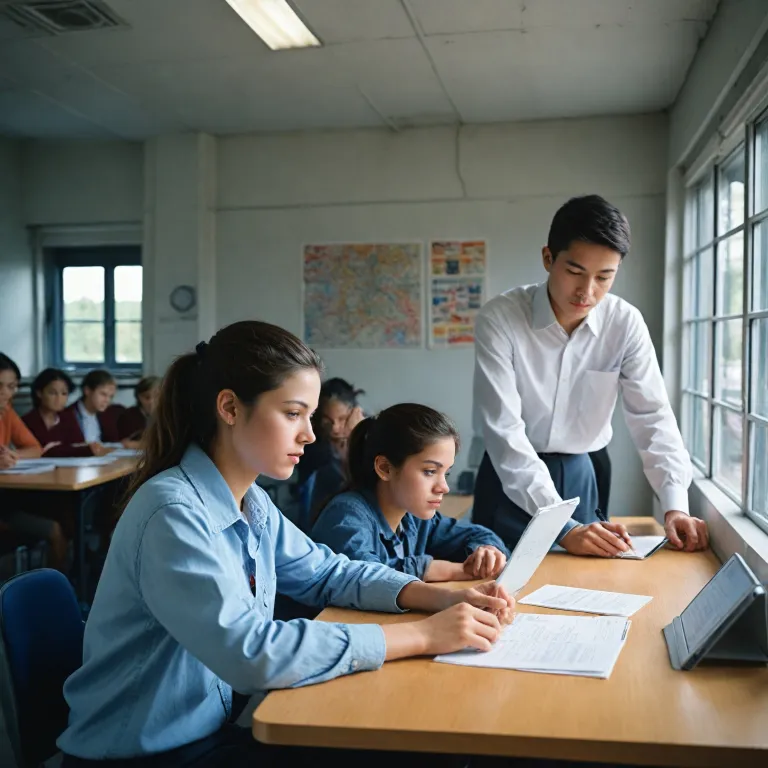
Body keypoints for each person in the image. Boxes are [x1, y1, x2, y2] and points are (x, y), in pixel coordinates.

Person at [58, 320, 513, 767]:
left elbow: (328, 571)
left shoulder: (249, 501)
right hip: (145, 753)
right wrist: (422, 634)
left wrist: (438, 598)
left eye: (309, 417)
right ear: (231, 408)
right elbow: (251, 653)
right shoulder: (173, 513)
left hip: (211, 727)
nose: (311, 434)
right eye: (293, 413)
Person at [473, 194, 709, 557]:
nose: (587, 292)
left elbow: (652, 415)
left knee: (584, 584)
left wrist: (675, 502)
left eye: (604, 277)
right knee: (495, 582)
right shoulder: (501, 319)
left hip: (584, 471)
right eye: (575, 272)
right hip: (509, 474)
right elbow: (503, 432)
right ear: (548, 258)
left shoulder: (625, 323)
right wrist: (562, 528)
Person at [313, 403, 509, 581]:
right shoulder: (345, 516)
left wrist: (487, 552)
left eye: (445, 474)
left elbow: (479, 535)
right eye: (430, 471)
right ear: (385, 468)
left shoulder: (413, 518)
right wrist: (445, 570)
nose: (444, 487)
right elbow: (371, 581)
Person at [0, 354, 67, 569]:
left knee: (61, 519)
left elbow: (35, 448)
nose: (6, 393)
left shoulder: (7, 412)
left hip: (7, 500)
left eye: (12, 387)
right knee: (55, 527)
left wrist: (13, 456)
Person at [22, 368, 106, 457]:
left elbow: (80, 446)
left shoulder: (68, 417)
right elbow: (41, 451)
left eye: (64, 393)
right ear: (39, 393)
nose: (59, 399)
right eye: (53, 393)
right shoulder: (28, 421)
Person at [64, 369, 122, 450]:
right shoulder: (68, 415)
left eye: (111, 396)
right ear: (87, 390)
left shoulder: (107, 415)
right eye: (103, 394)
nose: (107, 400)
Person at [117, 376, 160, 444]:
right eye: (146, 397)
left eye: (157, 396)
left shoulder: (168, 416)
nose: (151, 401)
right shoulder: (127, 416)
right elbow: (126, 443)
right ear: (138, 397)